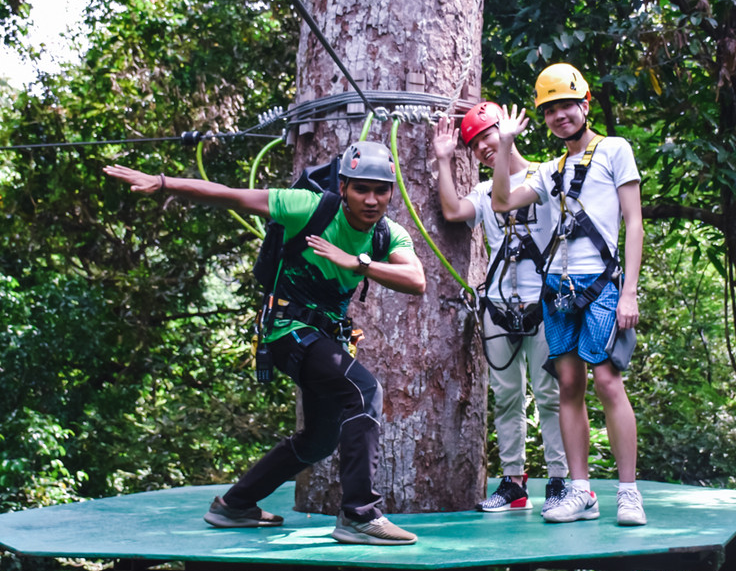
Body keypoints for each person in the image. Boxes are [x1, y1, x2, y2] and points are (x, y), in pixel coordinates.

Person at [102, 141, 427, 545]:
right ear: (343, 187)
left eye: (381, 190)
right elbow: (229, 195)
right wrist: (163, 182)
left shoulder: (387, 235)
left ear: (392, 193)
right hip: (287, 331)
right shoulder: (307, 208)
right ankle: (360, 516)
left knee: (320, 440)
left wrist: (356, 262)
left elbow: (417, 280)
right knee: (364, 391)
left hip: (323, 339)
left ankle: (235, 505)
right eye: (362, 188)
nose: (372, 199)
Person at [489, 64, 647, 526]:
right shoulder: (550, 170)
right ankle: (581, 491)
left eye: (566, 106)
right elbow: (501, 201)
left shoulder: (615, 150)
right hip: (556, 290)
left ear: (586, 104)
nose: (560, 116)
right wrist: (503, 146)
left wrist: (629, 292)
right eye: (550, 109)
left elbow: (633, 221)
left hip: (600, 284)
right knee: (569, 386)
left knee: (607, 381)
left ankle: (628, 492)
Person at [433, 102, 568, 513]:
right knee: (507, 395)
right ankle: (513, 482)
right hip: (498, 305)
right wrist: (443, 159)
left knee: (549, 394)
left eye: (486, 137)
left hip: (543, 303)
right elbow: (454, 211)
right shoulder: (482, 191)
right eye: (473, 145)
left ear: (505, 131)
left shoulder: (547, 176)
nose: (482, 148)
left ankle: (560, 480)